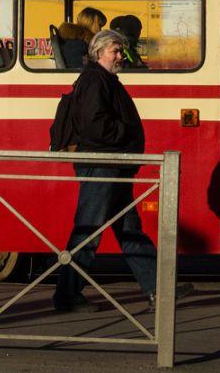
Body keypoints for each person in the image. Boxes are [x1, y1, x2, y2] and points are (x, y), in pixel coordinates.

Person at [53, 28, 159, 312]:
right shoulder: (94, 80)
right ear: (99, 52)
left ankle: (158, 289)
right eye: (115, 50)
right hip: (103, 163)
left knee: (129, 230)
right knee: (88, 231)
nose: (120, 56)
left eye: (120, 50)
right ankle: (66, 295)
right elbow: (95, 125)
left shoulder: (102, 79)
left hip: (113, 164)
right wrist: (125, 133)